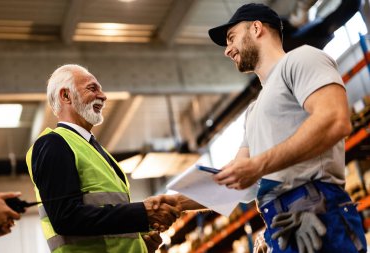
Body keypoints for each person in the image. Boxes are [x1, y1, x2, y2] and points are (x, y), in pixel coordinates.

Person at [208, 3, 366, 253]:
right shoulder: (253, 111)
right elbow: (238, 179)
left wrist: (258, 166)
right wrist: (174, 203)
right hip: (280, 226)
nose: (227, 50)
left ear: (257, 28)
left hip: (319, 213)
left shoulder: (301, 59)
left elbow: (335, 119)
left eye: (231, 38)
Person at [26, 64, 182, 253]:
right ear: (65, 96)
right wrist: (142, 213)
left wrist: (140, 243)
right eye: (92, 88)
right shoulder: (53, 143)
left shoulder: (95, 150)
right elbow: (65, 217)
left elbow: (106, 222)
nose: (103, 96)